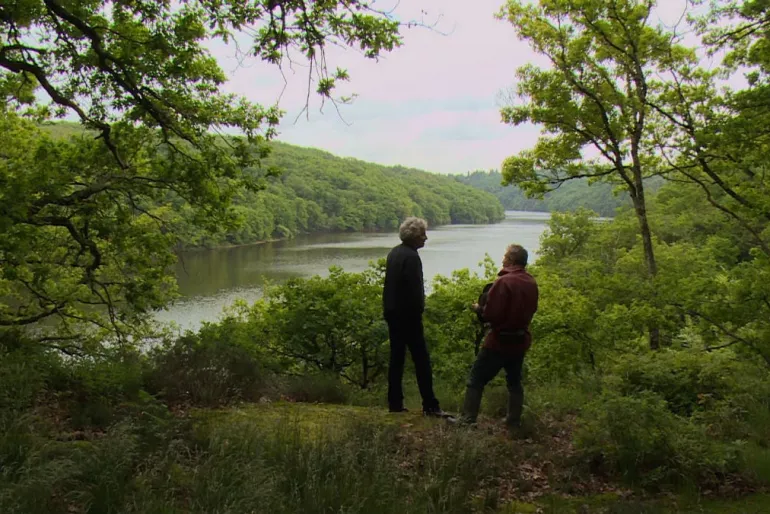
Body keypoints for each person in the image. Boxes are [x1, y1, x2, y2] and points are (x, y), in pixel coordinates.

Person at [459, 244, 539, 428]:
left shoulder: (503, 282)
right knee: (514, 380)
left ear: (511, 260)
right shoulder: (531, 282)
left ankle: (467, 420)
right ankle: (513, 420)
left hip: (499, 341)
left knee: (476, 378)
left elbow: (491, 315)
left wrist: (479, 309)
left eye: (505, 256)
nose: (502, 259)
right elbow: (532, 309)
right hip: (520, 340)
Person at [383, 217, 450, 418]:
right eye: (422, 234)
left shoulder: (394, 253)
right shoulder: (411, 257)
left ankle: (394, 403)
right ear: (413, 236)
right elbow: (415, 291)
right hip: (408, 316)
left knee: (396, 359)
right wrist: (419, 311)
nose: (426, 238)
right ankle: (430, 405)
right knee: (422, 360)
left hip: (392, 313)